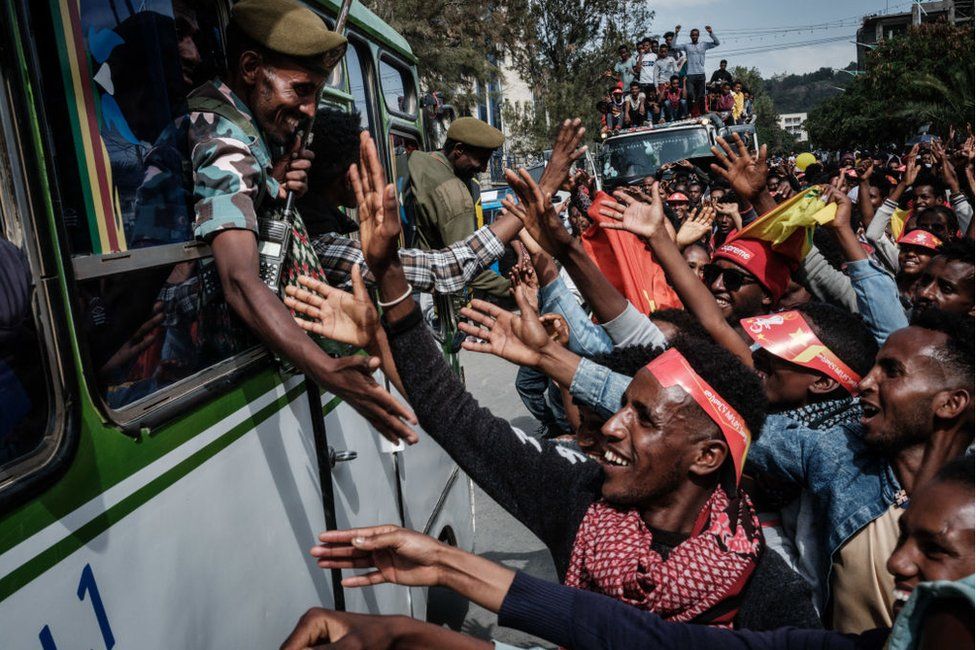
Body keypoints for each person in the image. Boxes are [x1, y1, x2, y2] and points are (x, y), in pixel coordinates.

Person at [286, 138, 821, 631]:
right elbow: (455, 417)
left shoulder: (772, 598)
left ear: (706, 457)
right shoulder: (578, 498)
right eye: (624, 405)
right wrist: (389, 284)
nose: (610, 425)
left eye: (644, 417)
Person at [286, 457, 974, 650]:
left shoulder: (772, 588)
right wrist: (412, 624)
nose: (897, 566)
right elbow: (627, 636)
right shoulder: (584, 510)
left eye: (934, 549)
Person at [186, 0, 416, 442]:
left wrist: (271, 182)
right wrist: (327, 369)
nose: (310, 110)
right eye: (300, 90)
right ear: (251, 67)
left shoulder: (245, 126)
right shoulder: (222, 137)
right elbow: (238, 280)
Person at [299, 107, 523, 294]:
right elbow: (452, 267)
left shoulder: (411, 162)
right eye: (366, 168)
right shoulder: (452, 188)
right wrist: (513, 290)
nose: (483, 168)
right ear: (351, 178)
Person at [404, 116, 511, 299]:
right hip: (431, 295)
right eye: (481, 160)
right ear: (459, 150)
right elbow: (465, 265)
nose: (484, 168)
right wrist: (512, 289)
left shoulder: (418, 161)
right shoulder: (453, 192)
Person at [671, 25, 720, 116]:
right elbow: (673, 45)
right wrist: (676, 33)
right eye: (692, 35)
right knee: (690, 94)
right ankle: (689, 112)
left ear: (698, 36)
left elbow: (717, 43)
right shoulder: (687, 46)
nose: (694, 36)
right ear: (690, 36)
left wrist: (711, 33)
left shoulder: (704, 45)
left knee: (701, 96)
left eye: (696, 35)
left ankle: (702, 113)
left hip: (701, 74)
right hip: (690, 74)